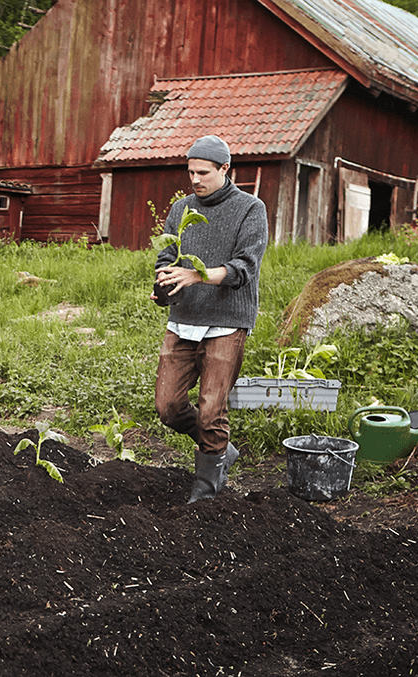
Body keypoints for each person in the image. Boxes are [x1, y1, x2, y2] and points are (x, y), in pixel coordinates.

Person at [150, 135, 268, 503]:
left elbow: (243, 269)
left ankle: (206, 490)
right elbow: (167, 256)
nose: (195, 179)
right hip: (184, 319)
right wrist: (163, 283)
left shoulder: (250, 209)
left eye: (203, 172)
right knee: (167, 407)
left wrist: (197, 275)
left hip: (226, 322)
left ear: (224, 169)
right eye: (191, 172)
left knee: (211, 409)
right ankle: (219, 448)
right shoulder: (182, 209)